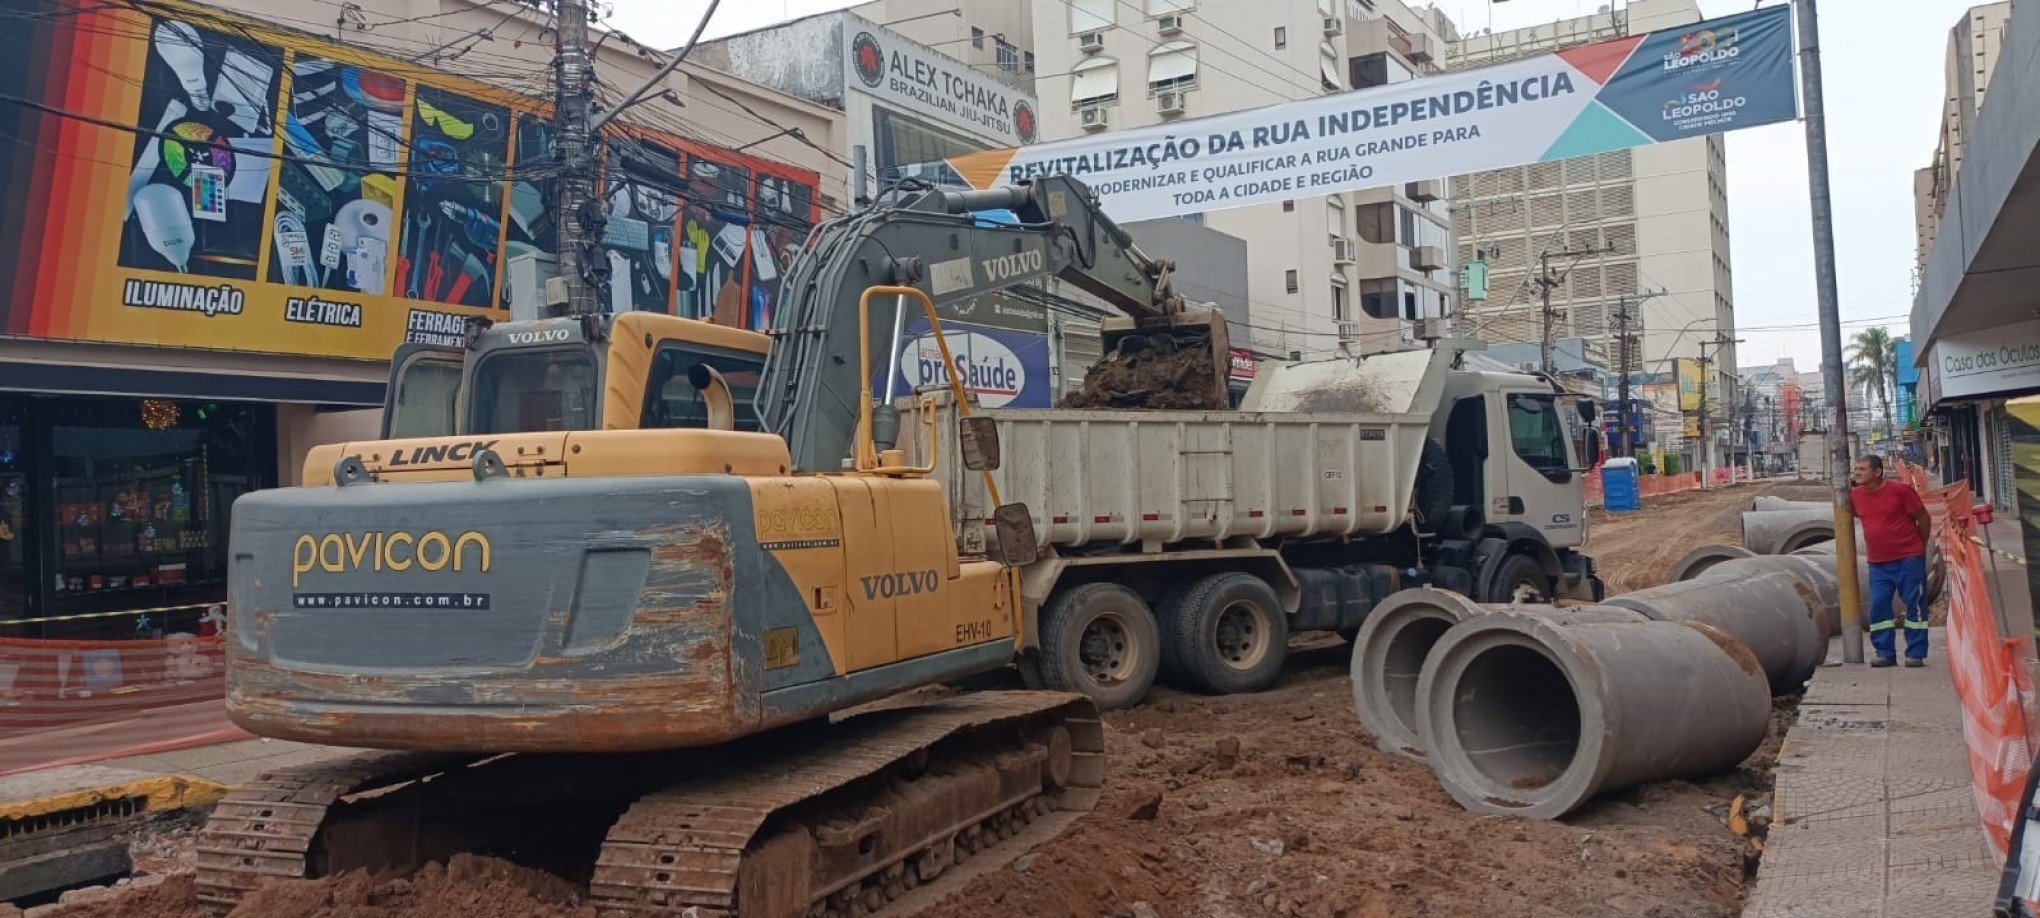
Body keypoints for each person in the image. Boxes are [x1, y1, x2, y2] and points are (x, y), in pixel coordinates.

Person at [1849, 454, 1933, 667]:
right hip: (1878, 563)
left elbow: (1923, 518)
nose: (1857, 473)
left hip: (1908, 559)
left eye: (1862, 469)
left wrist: (1919, 547)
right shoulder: (1855, 496)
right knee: (1878, 606)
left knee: (1915, 605)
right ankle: (1885, 652)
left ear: (1877, 472)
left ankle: (1915, 653)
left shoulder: (1901, 491)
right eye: (1856, 469)